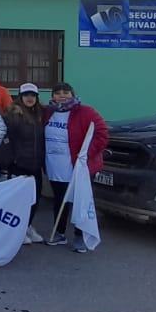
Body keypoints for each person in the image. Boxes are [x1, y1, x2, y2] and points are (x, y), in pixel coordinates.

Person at [43, 82, 109, 254]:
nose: (62, 95)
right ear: (53, 96)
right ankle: (59, 232)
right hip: (55, 166)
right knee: (59, 200)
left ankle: (80, 235)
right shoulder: (48, 113)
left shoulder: (86, 112)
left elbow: (102, 134)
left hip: (79, 167)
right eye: (57, 93)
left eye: (66, 92)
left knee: (80, 201)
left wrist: (86, 154)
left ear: (72, 94)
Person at [0, 82, 47, 245]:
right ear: (20, 97)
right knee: (20, 200)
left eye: (32, 95)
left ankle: (27, 225)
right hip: (19, 164)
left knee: (35, 198)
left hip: (36, 163)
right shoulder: (13, 115)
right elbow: (5, 139)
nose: (29, 98)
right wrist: (10, 160)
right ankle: (17, 228)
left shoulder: (40, 114)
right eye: (26, 95)